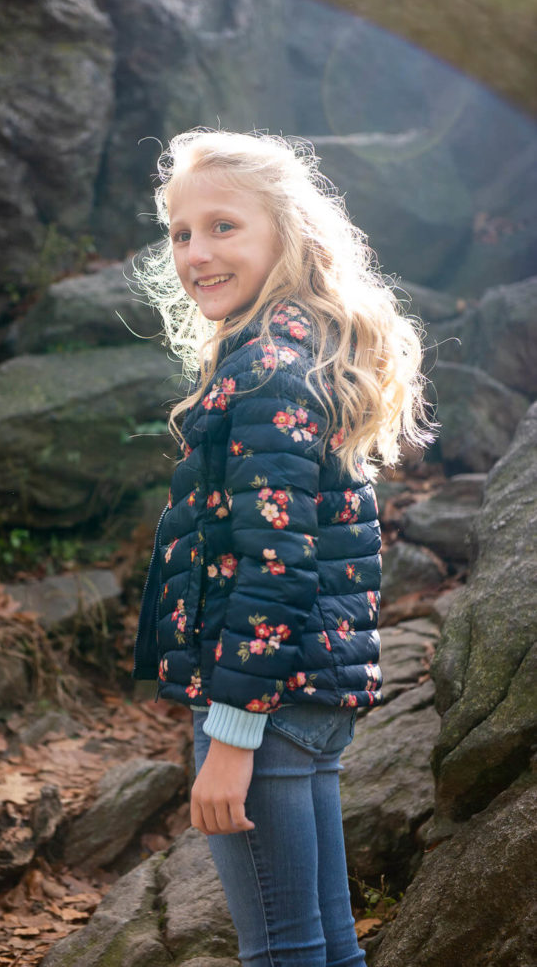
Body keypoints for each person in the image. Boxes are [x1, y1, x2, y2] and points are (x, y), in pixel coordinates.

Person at [132, 129, 433, 967]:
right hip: (307, 698)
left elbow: (274, 563)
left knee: (284, 952)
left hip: (263, 704)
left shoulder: (266, 370)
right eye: (181, 233)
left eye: (223, 226)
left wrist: (229, 739)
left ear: (286, 236)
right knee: (326, 945)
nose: (196, 252)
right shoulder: (300, 354)